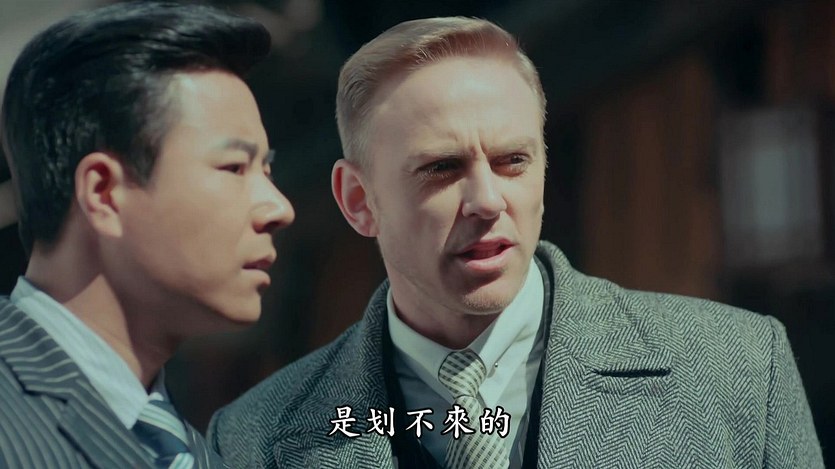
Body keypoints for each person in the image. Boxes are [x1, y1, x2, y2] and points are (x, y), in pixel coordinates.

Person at [208, 17, 822, 469]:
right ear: (358, 200)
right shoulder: (251, 441)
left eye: (512, 161)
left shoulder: (739, 370)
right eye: (442, 168)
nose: (487, 199)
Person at [0, 2, 294, 467]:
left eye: (268, 169)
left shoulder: (196, 453)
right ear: (103, 192)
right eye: (235, 167)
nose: (279, 209)